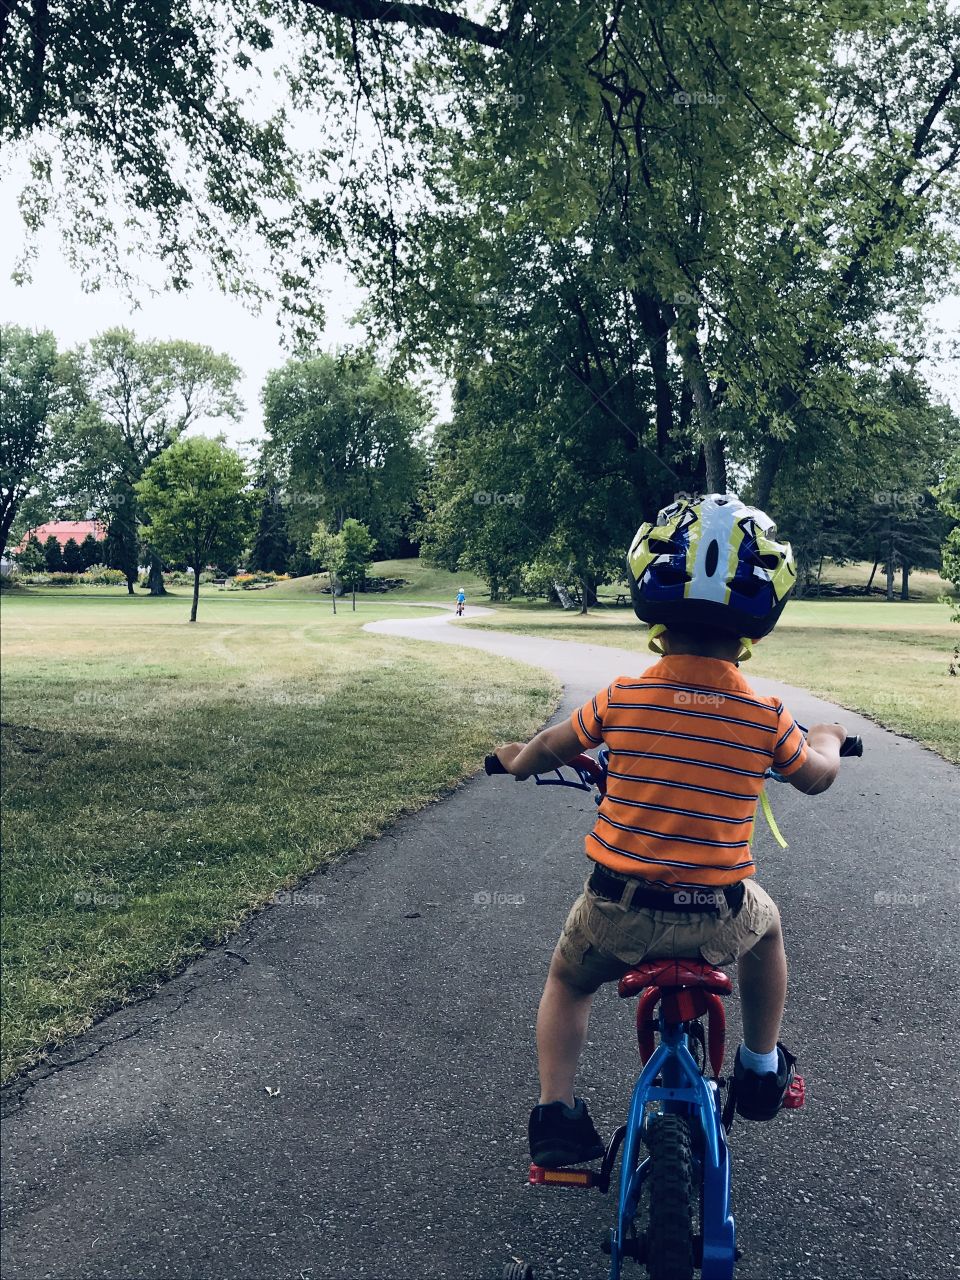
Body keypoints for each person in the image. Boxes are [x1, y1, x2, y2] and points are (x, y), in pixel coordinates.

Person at [492, 494, 846, 1169]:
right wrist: (824, 738)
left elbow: (549, 747)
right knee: (766, 928)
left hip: (616, 912)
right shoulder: (767, 716)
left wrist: (515, 761)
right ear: (759, 625)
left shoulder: (619, 699)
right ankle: (760, 1066)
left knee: (567, 981)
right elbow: (814, 776)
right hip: (718, 915)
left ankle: (557, 1116)